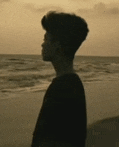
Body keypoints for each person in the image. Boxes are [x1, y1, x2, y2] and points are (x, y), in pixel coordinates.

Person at [31, 11, 89, 147]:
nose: (42, 44)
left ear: (57, 45)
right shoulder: (71, 84)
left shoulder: (63, 89)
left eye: (46, 39)